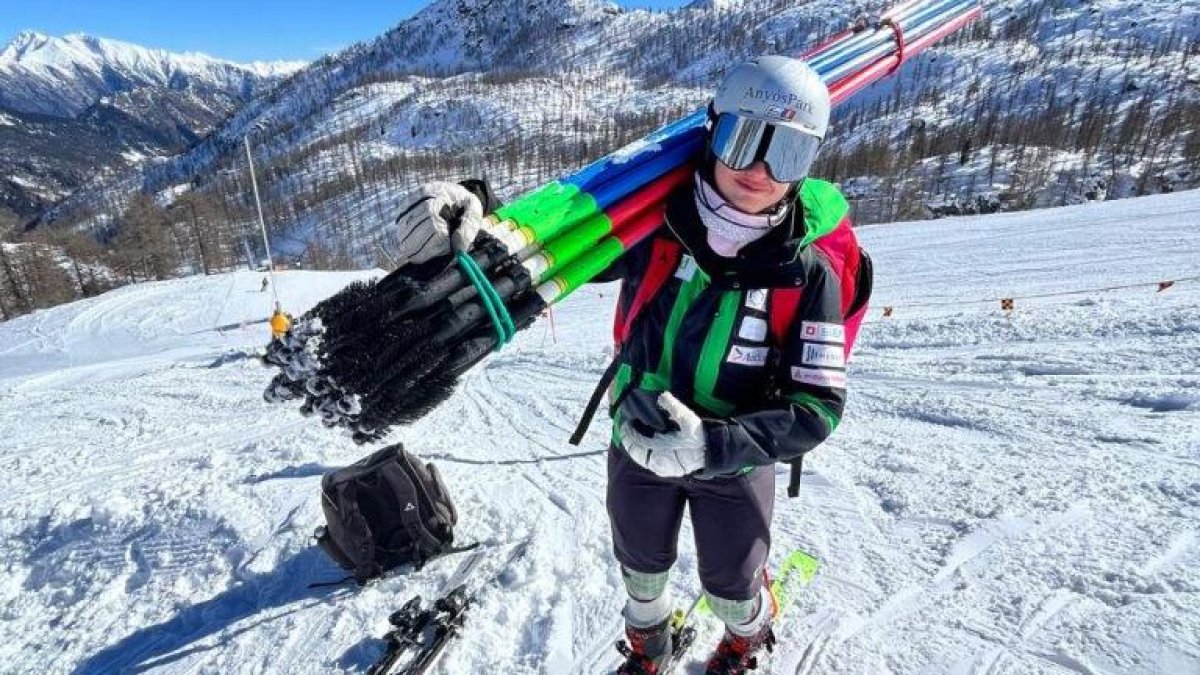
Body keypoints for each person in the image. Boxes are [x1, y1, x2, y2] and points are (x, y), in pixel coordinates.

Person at [392, 55, 871, 675]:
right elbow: (560, 239)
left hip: (734, 457)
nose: (759, 170)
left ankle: (746, 637)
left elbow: (819, 405)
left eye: (789, 155)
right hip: (636, 437)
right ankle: (650, 646)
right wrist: (478, 217)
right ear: (712, 130)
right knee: (640, 565)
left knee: (731, 581)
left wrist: (713, 444)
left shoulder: (809, 271)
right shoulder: (656, 226)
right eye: (745, 139)